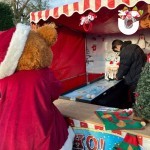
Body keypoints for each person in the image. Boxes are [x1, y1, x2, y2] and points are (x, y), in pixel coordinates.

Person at [112, 39, 146, 107]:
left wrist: (118, 76)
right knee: (139, 98)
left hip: (134, 79)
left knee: (134, 97)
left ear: (117, 46)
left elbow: (124, 66)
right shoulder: (135, 47)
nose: (119, 52)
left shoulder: (126, 50)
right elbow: (143, 59)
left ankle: (135, 113)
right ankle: (138, 112)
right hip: (141, 77)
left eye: (117, 50)